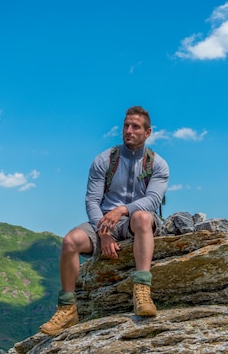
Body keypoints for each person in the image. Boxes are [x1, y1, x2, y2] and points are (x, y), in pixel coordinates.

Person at [40, 105, 169, 336]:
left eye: (135, 127)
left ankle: (142, 291)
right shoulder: (105, 160)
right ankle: (67, 308)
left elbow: (152, 200)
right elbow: (92, 200)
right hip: (102, 223)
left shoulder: (157, 165)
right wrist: (103, 232)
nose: (128, 130)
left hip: (135, 222)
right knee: (70, 241)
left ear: (147, 133)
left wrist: (122, 210)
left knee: (141, 216)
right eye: (126, 126)